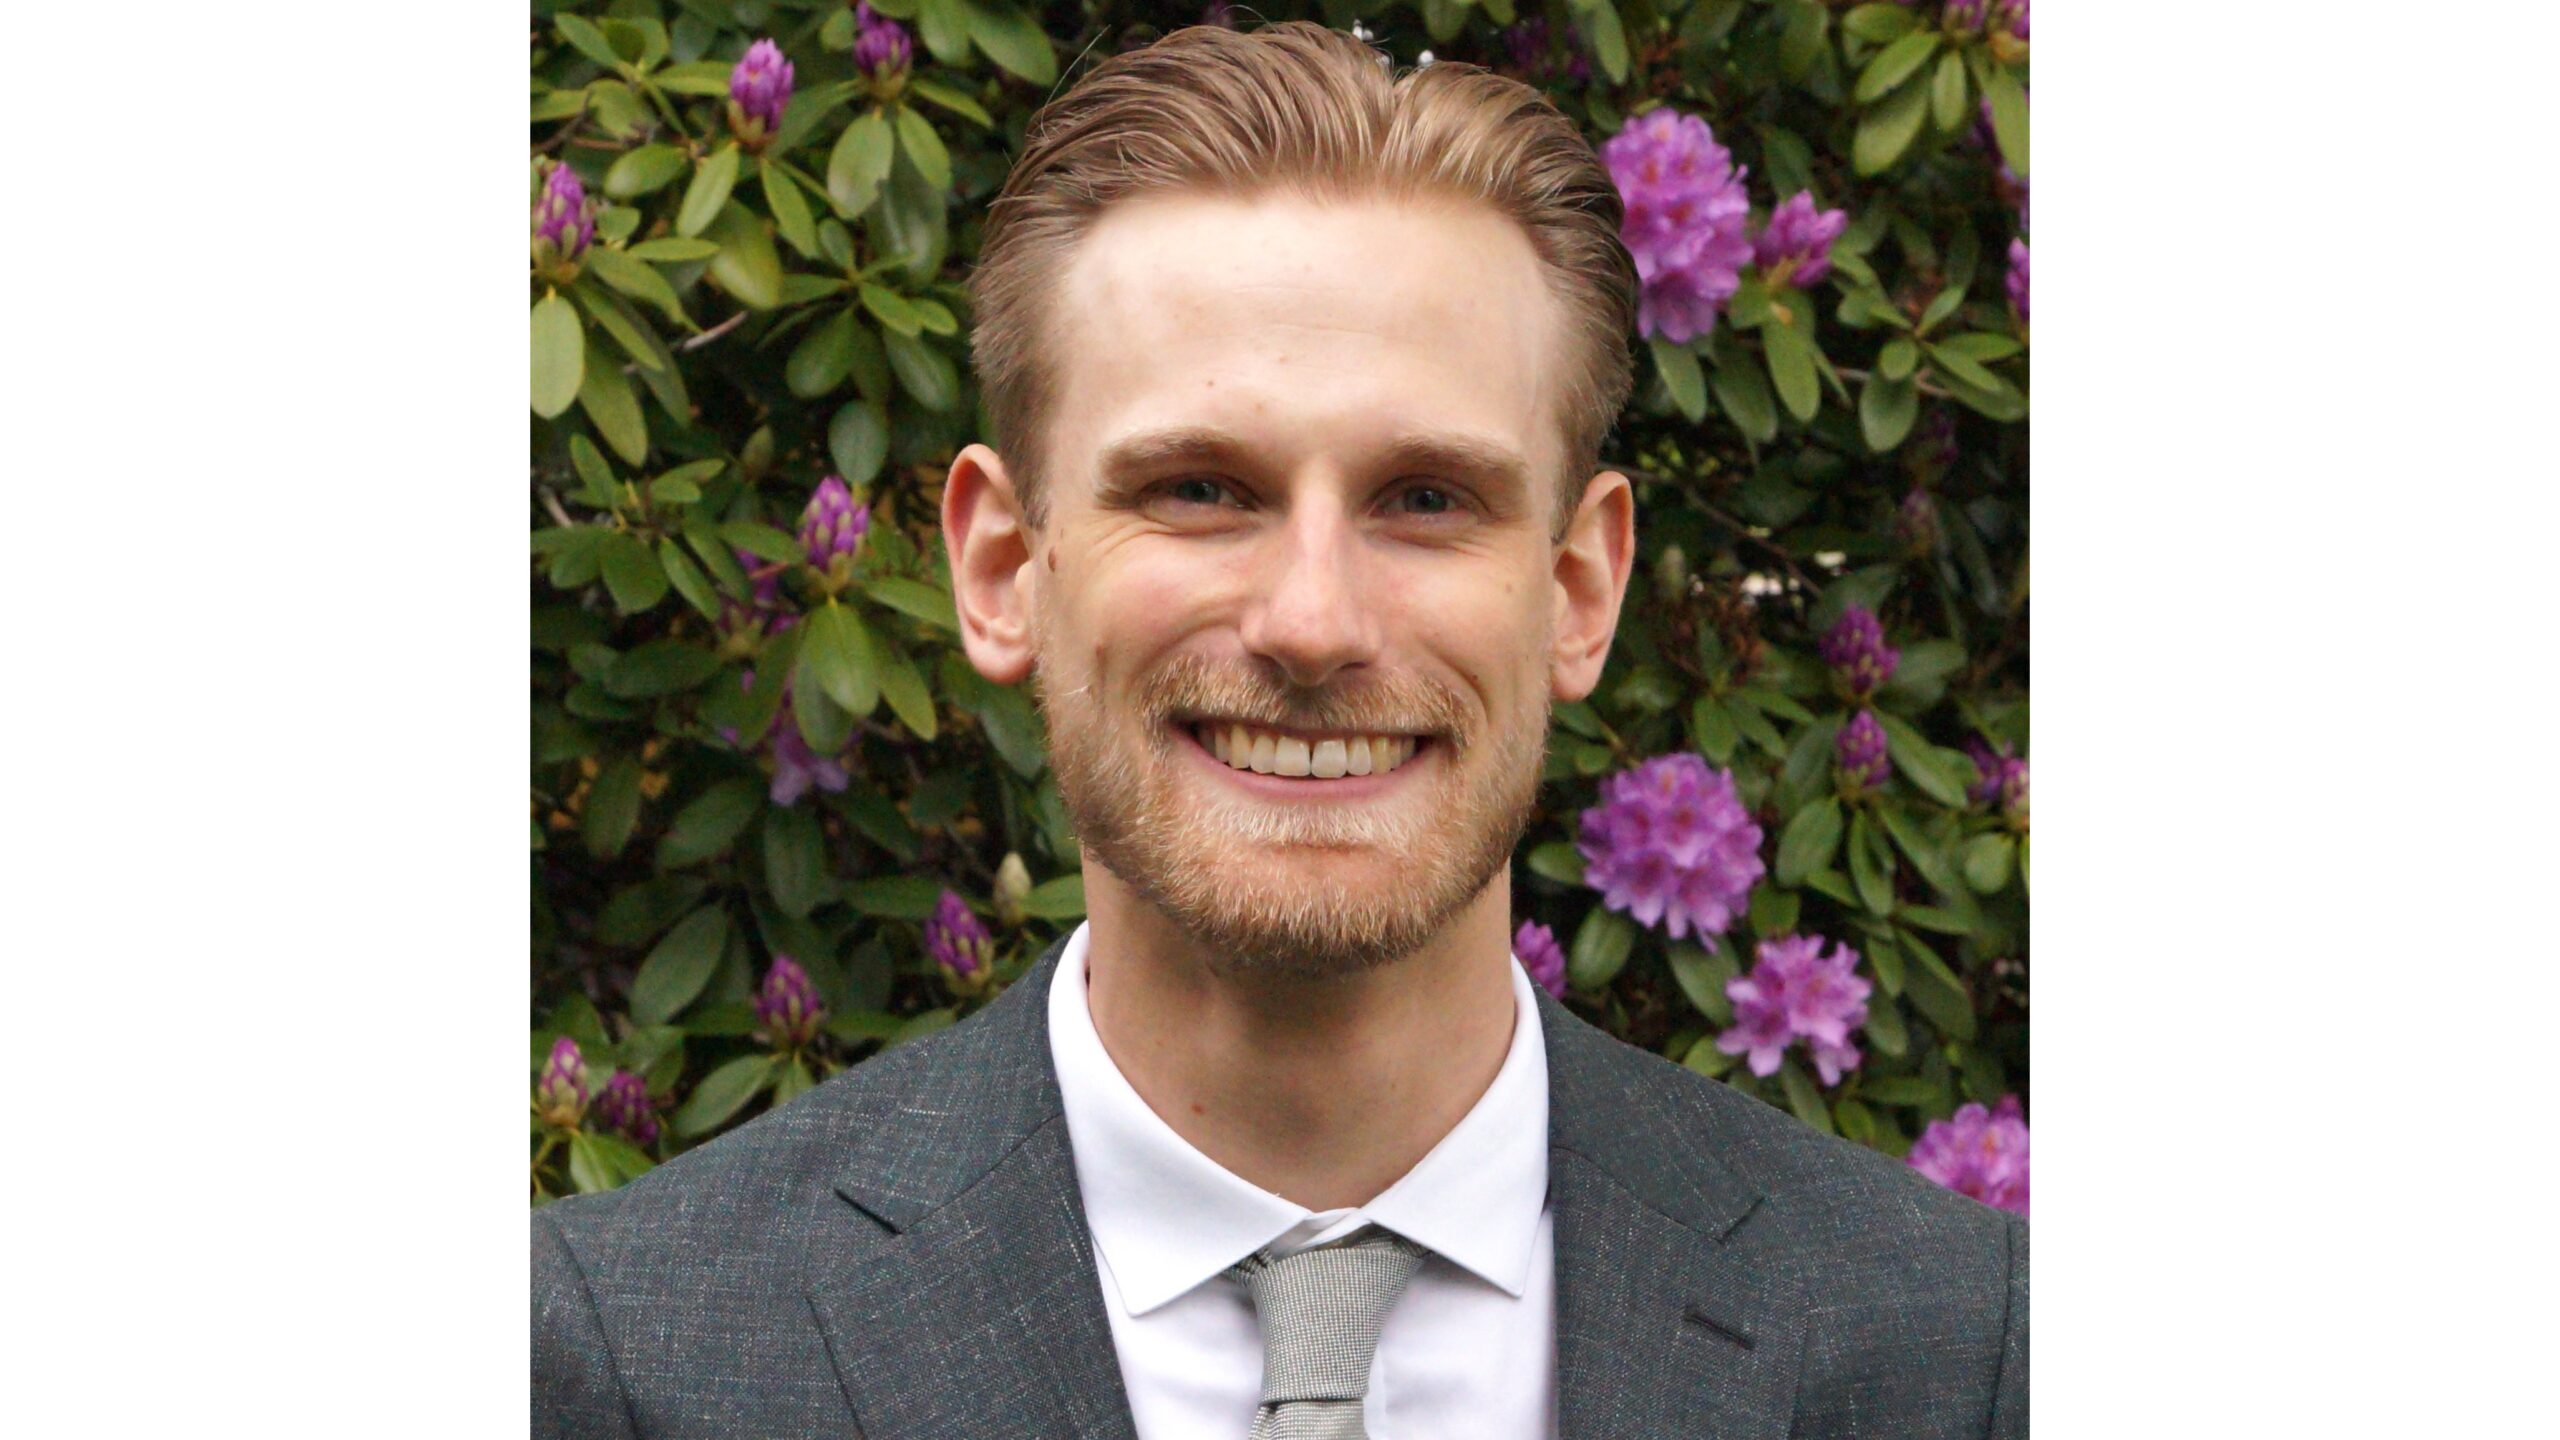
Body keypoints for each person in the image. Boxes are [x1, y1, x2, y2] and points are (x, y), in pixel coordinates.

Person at [533, 21, 2025, 1439]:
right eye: (1199, 488)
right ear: (1001, 570)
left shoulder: (1966, 1359)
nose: (1313, 621)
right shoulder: (618, 1360)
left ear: (1577, 591)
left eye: (1427, 499)